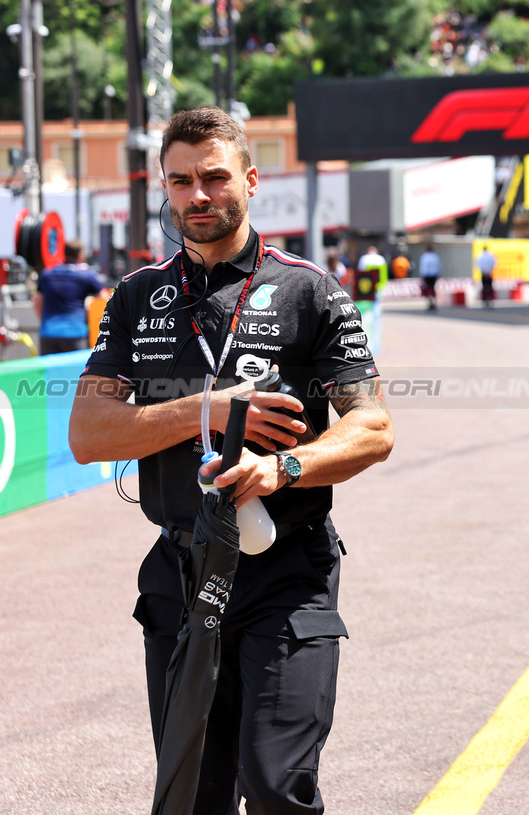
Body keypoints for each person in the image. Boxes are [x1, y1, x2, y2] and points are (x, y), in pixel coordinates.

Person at [68, 106, 394, 814]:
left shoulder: (311, 290)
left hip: (286, 570)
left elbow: (372, 427)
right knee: (194, 794)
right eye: (180, 182)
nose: (198, 195)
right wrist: (204, 408)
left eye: (214, 177)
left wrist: (287, 468)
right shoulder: (135, 297)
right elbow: (90, 434)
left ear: (250, 179)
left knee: (277, 786)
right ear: (165, 189)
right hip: (181, 573)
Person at [34, 239, 106, 355]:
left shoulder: (47, 274)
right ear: (80, 255)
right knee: (75, 372)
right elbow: (103, 297)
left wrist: (45, 323)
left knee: (50, 372)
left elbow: (37, 301)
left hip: (48, 333)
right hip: (75, 333)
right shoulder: (86, 275)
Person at [357, 246, 388, 355]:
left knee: (366, 316)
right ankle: (376, 343)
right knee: (376, 316)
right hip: (377, 289)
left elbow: (360, 275)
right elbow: (384, 277)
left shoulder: (363, 259)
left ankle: (367, 342)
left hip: (366, 290)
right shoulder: (381, 259)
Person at [418, 245, 442, 311]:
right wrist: (438, 274)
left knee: (427, 289)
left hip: (427, 275)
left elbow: (423, 267)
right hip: (434, 275)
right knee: (433, 289)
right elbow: (438, 266)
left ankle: (430, 302)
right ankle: (434, 302)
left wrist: (422, 276)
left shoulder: (424, 257)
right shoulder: (435, 256)